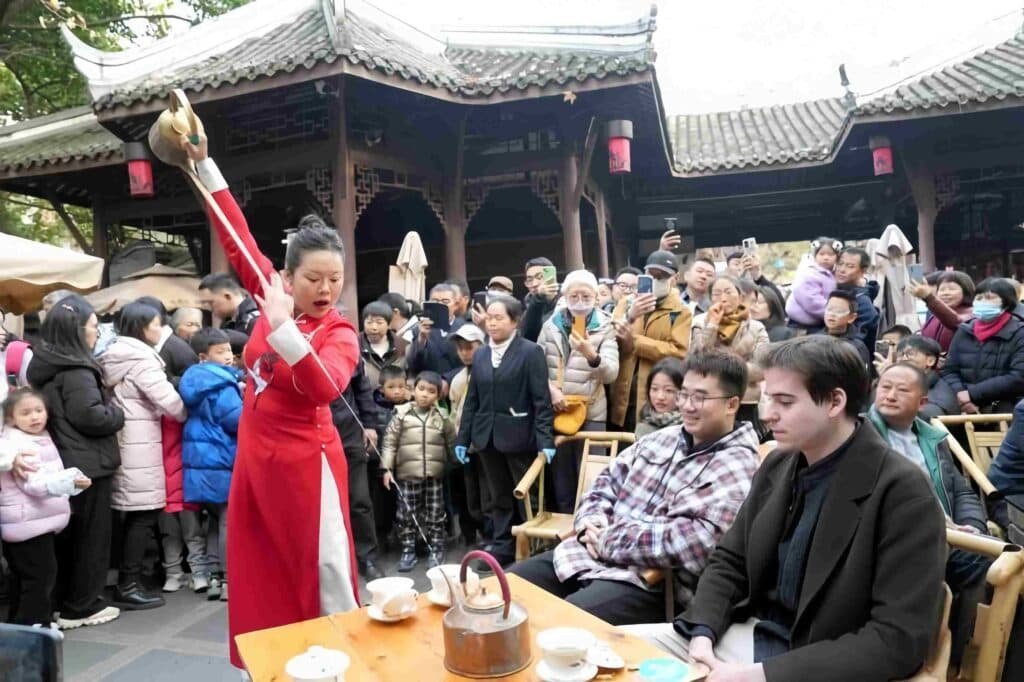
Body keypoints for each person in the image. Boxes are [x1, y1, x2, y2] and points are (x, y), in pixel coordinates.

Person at [651, 336, 948, 681]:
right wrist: (703, 631)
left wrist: (761, 675)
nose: (767, 413)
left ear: (835, 401)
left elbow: (896, 639)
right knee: (614, 654)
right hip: (747, 635)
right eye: (766, 398)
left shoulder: (902, 492)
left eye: (785, 401)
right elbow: (731, 560)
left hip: (816, 661)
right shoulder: (779, 464)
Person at [181, 134, 362, 669]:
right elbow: (237, 239)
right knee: (260, 567)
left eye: (335, 278)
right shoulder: (271, 292)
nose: (326, 288)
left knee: (322, 566)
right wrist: (202, 164)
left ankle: (341, 662)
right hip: (257, 459)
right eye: (313, 277)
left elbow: (326, 386)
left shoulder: (341, 330)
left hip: (308, 464)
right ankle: (272, 666)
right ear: (288, 276)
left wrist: (284, 329)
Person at [509, 351, 760, 624]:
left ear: (732, 404)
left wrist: (608, 540)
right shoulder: (662, 439)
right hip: (585, 554)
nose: (687, 405)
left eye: (699, 397)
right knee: (507, 589)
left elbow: (693, 541)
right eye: (683, 394)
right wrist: (589, 525)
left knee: (558, 624)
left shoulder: (737, 464)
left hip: (651, 582)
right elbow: (604, 484)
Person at [868, 362, 991, 664]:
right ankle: (953, 659)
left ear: (922, 401)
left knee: (994, 563)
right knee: (983, 564)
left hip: (950, 533)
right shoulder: (863, 436)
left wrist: (972, 525)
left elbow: (959, 490)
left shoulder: (932, 439)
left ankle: (968, 655)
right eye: (885, 387)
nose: (891, 395)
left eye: (902, 389)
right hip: (902, 534)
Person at [27, 295, 124, 629]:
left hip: (63, 460)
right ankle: (82, 606)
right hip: (89, 464)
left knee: (70, 539)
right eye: (94, 327)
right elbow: (90, 416)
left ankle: (64, 602)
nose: (97, 333)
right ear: (77, 331)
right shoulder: (78, 370)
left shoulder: (44, 363)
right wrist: (117, 413)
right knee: (92, 540)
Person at [100, 302, 188, 611]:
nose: (161, 329)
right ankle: (130, 584)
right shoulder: (142, 360)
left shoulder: (114, 354)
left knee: (130, 515)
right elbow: (172, 405)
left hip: (124, 442)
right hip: (141, 445)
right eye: (156, 324)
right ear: (140, 327)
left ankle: (125, 579)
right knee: (143, 514)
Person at [454, 296, 555, 566]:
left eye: (499, 318)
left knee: (525, 495)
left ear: (515, 321)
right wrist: (463, 438)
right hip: (486, 437)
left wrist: (546, 440)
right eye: (489, 317)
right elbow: (472, 399)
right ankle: (502, 546)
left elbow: (541, 400)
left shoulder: (530, 351)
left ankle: (532, 547)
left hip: (520, 435)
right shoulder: (483, 353)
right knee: (497, 496)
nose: (493, 323)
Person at [0, 387, 90, 626]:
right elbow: (36, 485)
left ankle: (19, 631)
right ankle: (35, 629)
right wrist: (71, 483)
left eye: (39, 410)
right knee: (40, 578)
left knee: (25, 579)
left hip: (31, 521)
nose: (35, 417)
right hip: (27, 523)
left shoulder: (32, 438)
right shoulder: (21, 444)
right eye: (26, 413)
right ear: (11, 418)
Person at [538, 270, 620, 513]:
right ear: (565, 295)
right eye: (574, 294)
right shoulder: (550, 326)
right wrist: (550, 390)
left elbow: (611, 373)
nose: (580, 300)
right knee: (562, 478)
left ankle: (591, 524)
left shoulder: (605, 326)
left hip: (592, 410)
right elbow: (536, 367)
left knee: (592, 475)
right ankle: (563, 530)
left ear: (596, 297)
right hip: (558, 408)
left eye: (586, 295)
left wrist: (590, 354)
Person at [179, 327, 244, 603]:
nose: (228, 356)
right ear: (204, 356)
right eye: (221, 352)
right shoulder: (222, 384)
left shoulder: (192, 380)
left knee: (215, 518)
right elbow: (236, 420)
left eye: (229, 350)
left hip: (198, 457)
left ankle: (214, 576)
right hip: (220, 455)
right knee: (229, 519)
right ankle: (230, 578)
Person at [381, 370, 455, 570]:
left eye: (431, 391)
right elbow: (389, 442)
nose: (424, 394)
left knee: (436, 512)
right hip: (407, 475)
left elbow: (451, 442)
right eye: (421, 389)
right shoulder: (401, 415)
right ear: (412, 390)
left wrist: (456, 462)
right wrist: (387, 469)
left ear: (438, 395)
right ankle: (408, 549)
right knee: (406, 513)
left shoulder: (442, 417)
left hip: (434, 475)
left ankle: (437, 547)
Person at [610, 251, 691, 433]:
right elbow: (611, 336)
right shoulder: (626, 303)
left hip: (655, 390)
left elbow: (678, 351)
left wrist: (636, 342)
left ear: (674, 278)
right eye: (651, 275)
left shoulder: (680, 312)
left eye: (662, 276)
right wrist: (631, 316)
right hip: (622, 386)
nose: (656, 280)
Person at [330, 356, 382, 580]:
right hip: (312, 435)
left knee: (359, 499)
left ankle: (367, 558)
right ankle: (333, 562)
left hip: (349, 431)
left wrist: (369, 424)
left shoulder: (343, 339)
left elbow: (362, 388)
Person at [942, 277, 1024, 414]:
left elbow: (1018, 376)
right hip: (963, 408)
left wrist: (973, 394)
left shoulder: (1019, 332)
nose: (982, 302)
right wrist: (963, 397)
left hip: (1006, 410)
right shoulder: (965, 330)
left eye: (990, 298)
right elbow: (949, 370)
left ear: (1006, 303)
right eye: (979, 298)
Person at [448, 324, 489, 547]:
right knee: (471, 495)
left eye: (469, 347)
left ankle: (492, 537)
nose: (464, 352)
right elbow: (456, 415)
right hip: (467, 446)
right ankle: (477, 535)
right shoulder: (458, 380)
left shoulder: (491, 372)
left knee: (490, 495)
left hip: (488, 444)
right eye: (460, 348)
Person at [875, 335, 959, 419]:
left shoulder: (936, 400)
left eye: (910, 354)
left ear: (930, 361)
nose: (903, 359)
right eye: (901, 354)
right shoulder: (908, 383)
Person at [406, 282, 465, 379]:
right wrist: (422, 339)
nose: (440, 306)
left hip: (457, 385)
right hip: (427, 386)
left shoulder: (465, 328)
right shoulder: (417, 330)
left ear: (456, 305)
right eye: (435, 301)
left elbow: (470, 363)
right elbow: (413, 365)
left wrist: (447, 379)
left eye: (445, 302)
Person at [910, 270, 975, 353]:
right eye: (942, 289)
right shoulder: (934, 316)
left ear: (966, 291)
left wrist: (929, 298)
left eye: (952, 289)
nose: (945, 293)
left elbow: (956, 322)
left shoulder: (972, 314)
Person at [785, 237, 841, 329]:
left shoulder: (832, 273)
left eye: (831, 254)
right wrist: (832, 314)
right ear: (815, 256)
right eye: (821, 254)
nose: (826, 258)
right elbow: (811, 300)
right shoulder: (810, 273)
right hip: (802, 323)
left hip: (819, 318)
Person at [834, 246, 880, 349]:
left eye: (850, 266)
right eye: (840, 264)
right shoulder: (833, 290)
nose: (842, 270)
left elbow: (858, 341)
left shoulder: (863, 302)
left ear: (862, 271)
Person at [359, 301, 408, 389]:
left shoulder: (403, 346)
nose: (374, 327)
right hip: (365, 400)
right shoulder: (355, 346)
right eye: (369, 322)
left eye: (379, 322)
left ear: (388, 324)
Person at [635, 357, 685, 439]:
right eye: (654, 389)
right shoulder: (645, 423)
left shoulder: (690, 427)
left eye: (668, 390)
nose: (660, 397)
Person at [198, 272, 261, 337]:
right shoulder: (227, 322)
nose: (210, 308)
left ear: (227, 296)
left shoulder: (255, 321)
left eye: (211, 302)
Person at [820, 290, 870, 365]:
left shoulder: (857, 347)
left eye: (839, 311)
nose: (832, 314)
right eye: (829, 309)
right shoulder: (813, 340)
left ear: (852, 318)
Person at [521, 257, 560, 342]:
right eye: (530, 279)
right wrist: (538, 298)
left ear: (551, 276)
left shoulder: (567, 303)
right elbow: (527, 339)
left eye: (539, 277)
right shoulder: (526, 310)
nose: (534, 284)